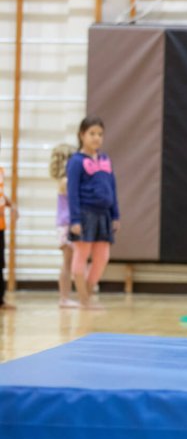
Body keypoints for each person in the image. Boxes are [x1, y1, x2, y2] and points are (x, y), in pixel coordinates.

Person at [67, 116, 119, 310]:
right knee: (81, 256)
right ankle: (84, 300)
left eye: (100, 134)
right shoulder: (76, 162)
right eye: (92, 134)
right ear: (82, 135)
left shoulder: (106, 160)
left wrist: (115, 215)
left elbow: (112, 189)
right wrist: (75, 219)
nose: (96, 138)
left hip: (103, 214)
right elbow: (72, 192)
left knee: (102, 257)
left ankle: (87, 295)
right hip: (85, 214)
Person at [50, 143, 79, 308]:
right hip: (66, 224)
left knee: (70, 262)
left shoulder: (66, 180)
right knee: (68, 262)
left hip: (66, 223)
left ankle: (66, 296)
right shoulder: (66, 181)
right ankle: (64, 297)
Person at [0, 133, 19, 310]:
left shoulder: (0, 170)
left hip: (0, 225)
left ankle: (1, 299)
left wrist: (10, 204)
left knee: (0, 263)